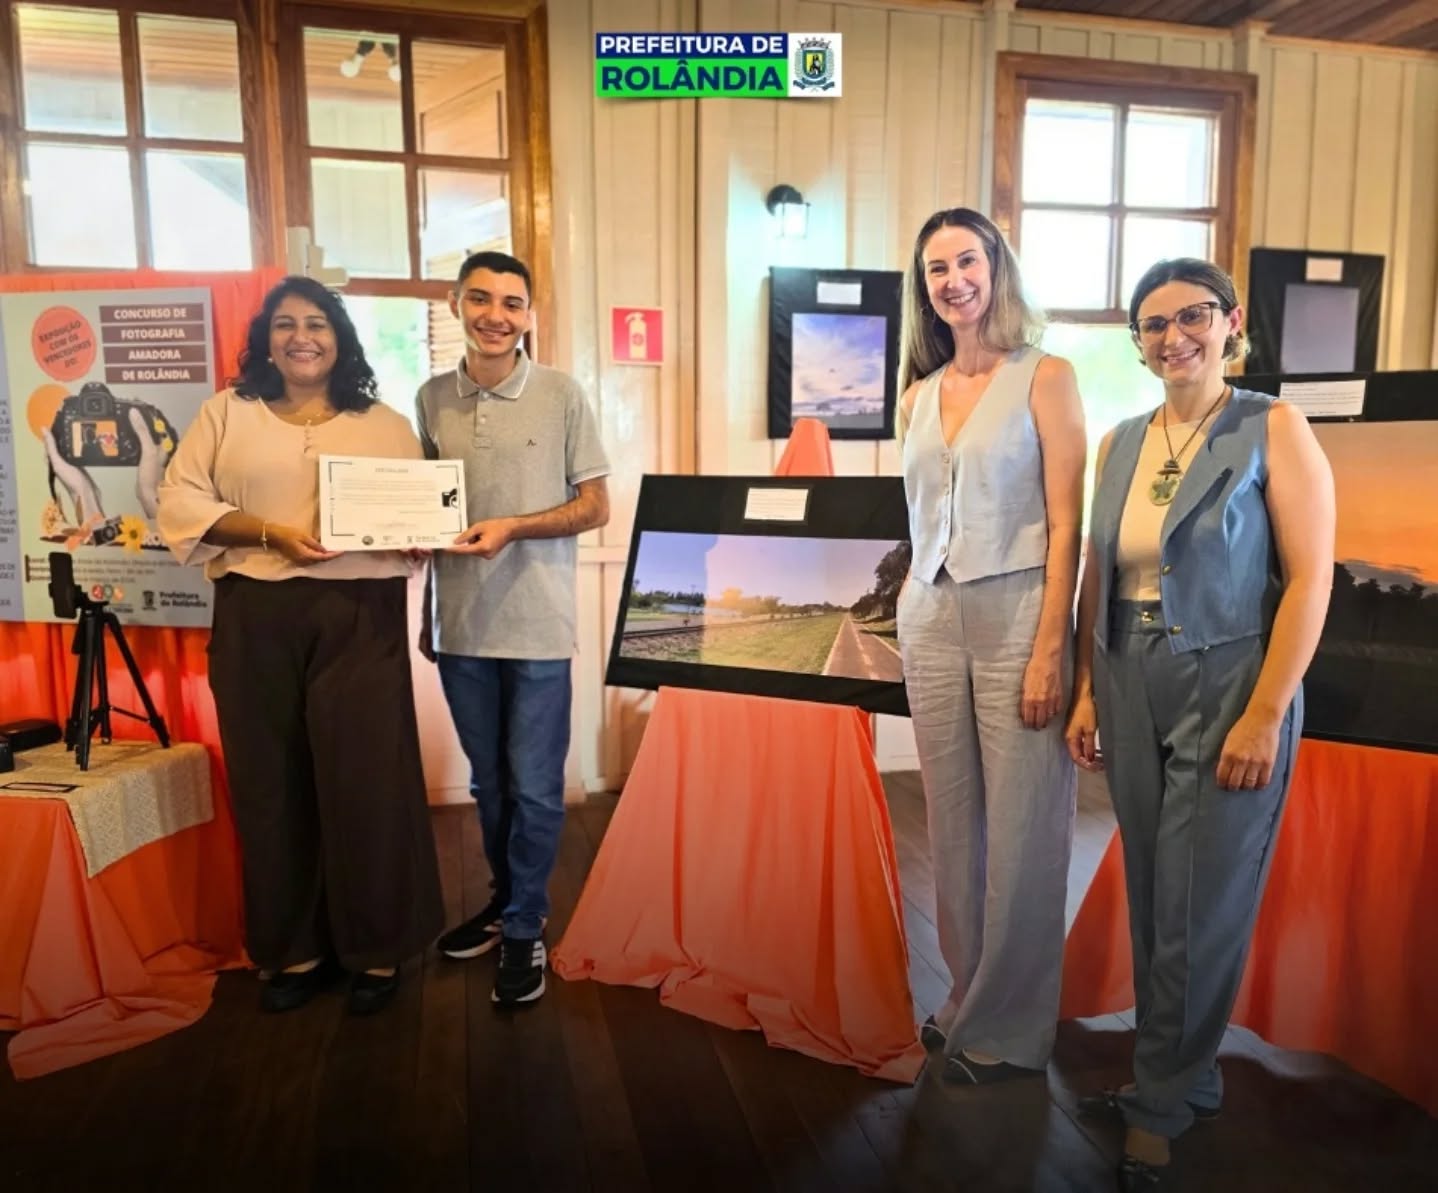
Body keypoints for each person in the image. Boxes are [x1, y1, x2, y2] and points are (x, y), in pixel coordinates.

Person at [1064, 258, 1335, 1191]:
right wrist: (1089, 689)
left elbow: (1311, 579)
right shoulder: (1120, 442)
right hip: (1126, 675)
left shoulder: (1273, 425)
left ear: (1229, 321)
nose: (1173, 335)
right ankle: (1184, 1074)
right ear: (1137, 344)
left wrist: (1266, 712)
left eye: (1192, 316)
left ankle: (1159, 1102)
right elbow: (1098, 575)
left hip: (1230, 682)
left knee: (1197, 902)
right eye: (1153, 324)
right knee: (1154, 891)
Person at [157, 275, 444, 1016]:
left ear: (340, 338)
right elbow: (180, 500)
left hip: (361, 612)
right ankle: (294, 948)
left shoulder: (385, 424)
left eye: (317, 323)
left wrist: (420, 536)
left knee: (368, 781)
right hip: (254, 610)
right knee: (269, 779)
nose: (301, 337)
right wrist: (269, 533)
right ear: (265, 338)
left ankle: (377, 948)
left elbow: (422, 515)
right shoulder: (226, 412)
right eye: (285, 324)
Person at [895, 207, 1085, 1082]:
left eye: (966, 261)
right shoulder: (917, 395)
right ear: (924, 289)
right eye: (937, 269)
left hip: (1018, 612)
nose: (954, 280)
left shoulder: (1047, 376)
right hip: (930, 616)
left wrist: (1052, 647)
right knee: (951, 820)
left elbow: (1068, 523)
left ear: (996, 266)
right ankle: (966, 994)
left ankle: (1011, 1025)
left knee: (1024, 824)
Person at [417, 251, 610, 1006]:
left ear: (530, 314)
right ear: (455, 304)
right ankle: (505, 902)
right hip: (460, 626)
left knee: (535, 786)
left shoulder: (561, 393)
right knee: (488, 783)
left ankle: (527, 922)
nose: (495, 315)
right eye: (480, 298)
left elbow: (595, 506)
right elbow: (424, 509)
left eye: (511, 302)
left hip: (537, 628)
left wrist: (513, 527)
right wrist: (420, 581)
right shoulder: (430, 397)